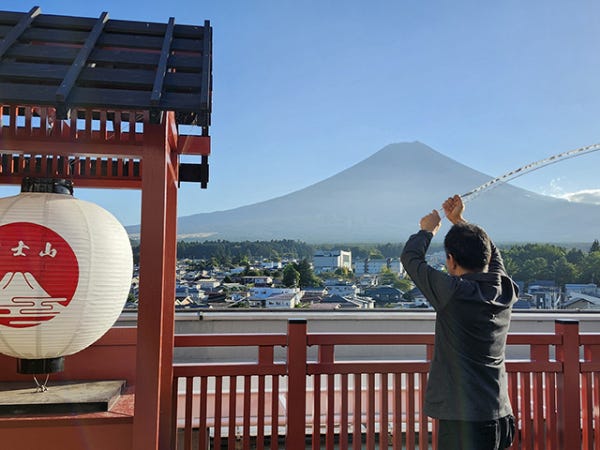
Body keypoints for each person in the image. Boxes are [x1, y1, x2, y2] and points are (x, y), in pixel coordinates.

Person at [400, 195, 518, 450]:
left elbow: (410, 258)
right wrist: (459, 221)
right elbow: (492, 253)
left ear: (451, 261)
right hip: (501, 414)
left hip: (465, 422)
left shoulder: (454, 293)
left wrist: (427, 230)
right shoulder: (503, 288)